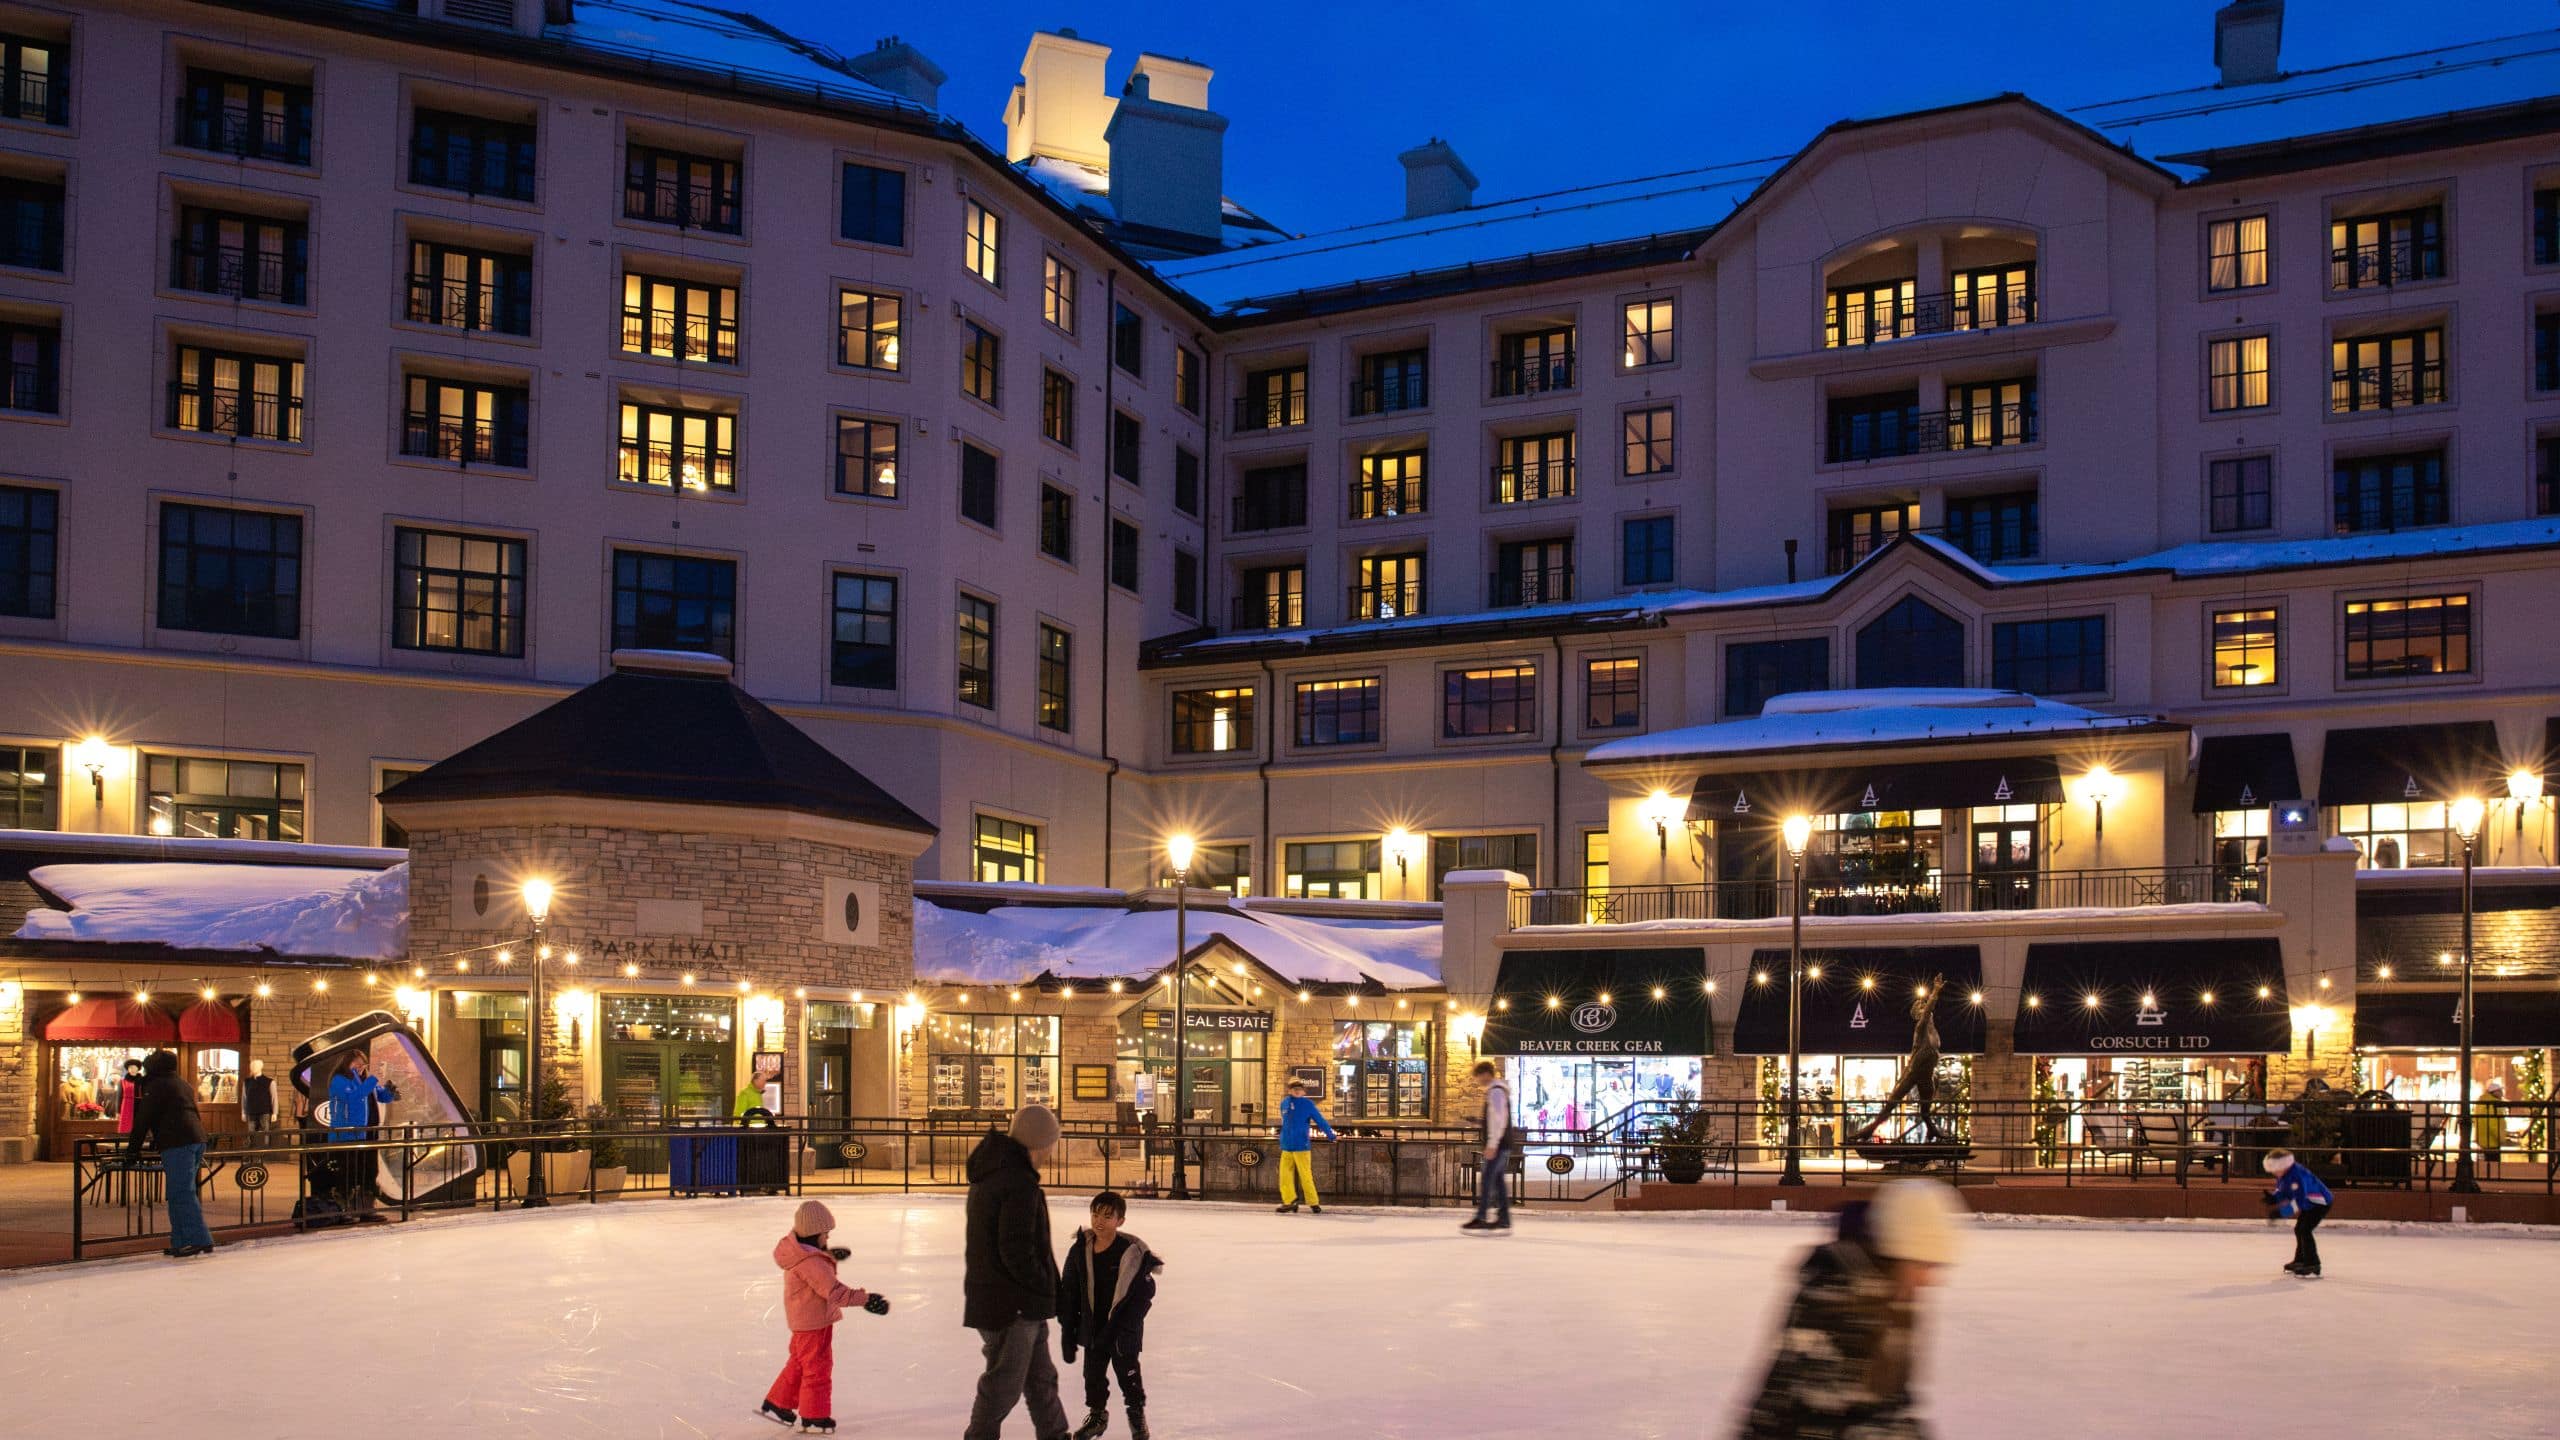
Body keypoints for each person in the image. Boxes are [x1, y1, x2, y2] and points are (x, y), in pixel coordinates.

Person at [1739, 1179, 1968, 1439]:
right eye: (1924, 1264)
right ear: (1899, 1253)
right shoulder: (1836, 1299)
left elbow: (1892, 1401)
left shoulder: (1898, 1300)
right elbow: (1815, 1412)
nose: (1931, 1279)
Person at [964, 1103, 1072, 1440]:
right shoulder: (1017, 1183)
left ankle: (1055, 1434)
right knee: (1003, 1385)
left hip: (1012, 1301)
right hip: (1011, 1305)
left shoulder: (998, 1176)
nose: (1053, 1149)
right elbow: (1017, 1249)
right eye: (1052, 1141)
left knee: (1041, 1379)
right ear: (1039, 1142)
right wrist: (1044, 1288)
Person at [760, 1198, 889, 1433]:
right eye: (825, 1234)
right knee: (817, 1367)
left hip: (803, 1320)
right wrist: (867, 1299)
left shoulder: (800, 1253)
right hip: (814, 1323)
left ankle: (778, 1402)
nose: (827, 1238)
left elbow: (815, 1265)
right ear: (814, 1233)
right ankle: (814, 1416)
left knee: (800, 1363)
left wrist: (828, 1255)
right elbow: (835, 1293)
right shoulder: (812, 1264)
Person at [1058, 1190, 1162, 1440]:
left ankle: (1137, 1418)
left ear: (1120, 1221)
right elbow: (1069, 1290)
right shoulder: (1080, 1249)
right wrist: (1068, 1329)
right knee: (1092, 1375)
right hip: (1093, 1327)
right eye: (1095, 1214)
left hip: (1122, 1330)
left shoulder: (1132, 1253)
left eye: (1107, 1216)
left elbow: (1145, 1294)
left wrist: (1124, 1326)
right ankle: (1097, 1417)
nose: (1099, 1221)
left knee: (1128, 1374)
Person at [129, 1049, 213, 1258]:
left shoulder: (156, 1085)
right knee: (179, 1193)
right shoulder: (181, 1083)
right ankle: (181, 1241)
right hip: (194, 1138)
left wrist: (132, 1150)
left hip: (177, 1142)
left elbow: (143, 1119)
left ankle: (197, 1239)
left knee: (181, 1193)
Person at [1461, 1060, 1518, 1233]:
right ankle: (1504, 1219)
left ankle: (1482, 1217)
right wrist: (1481, 1123)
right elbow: (1496, 1118)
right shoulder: (1498, 1091)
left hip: (1499, 1145)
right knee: (1498, 1181)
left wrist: (1492, 1144)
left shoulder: (1496, 1092)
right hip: (1501, 1143)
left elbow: (1500, 1119)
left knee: (1487, 1180)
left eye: (1478, 1077)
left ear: (1485, 1074)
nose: (1478, 1081)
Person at [2262, 1148, 2334, 1277]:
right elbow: (2283, 1190)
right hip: (2310, 1204)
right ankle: (2301, 1260)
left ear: (2283, 1165)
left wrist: (2281, 1213)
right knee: (2299, 1229)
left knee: (2305, 1230)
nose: (2273, 1172)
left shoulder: (2297, 1175)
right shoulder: (2284, 1174)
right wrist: (2274, 1198)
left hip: (2320, 1203)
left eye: (2274, 1169)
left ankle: (2313, 1263)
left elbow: (2299, 1200)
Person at [1272, 1078, 1336, 1214]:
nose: (1297, 1091)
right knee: (1284, 1176)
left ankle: (1313, 1202)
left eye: (1299, 1089)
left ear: (1303, 1091)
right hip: (1287, 1145)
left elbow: (1320, 1120)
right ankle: (1289, 1201)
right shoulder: (1284, 1103)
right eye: (1294, 1089)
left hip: (1301, 1145)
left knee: (1305, 1175)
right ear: (1289, 1090)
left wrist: (1330, 1135)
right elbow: (1285, 1123)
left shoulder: (1307, 1104)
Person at [241, 1058, 276, 1137]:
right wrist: (243, 1112)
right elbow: (244, 1098)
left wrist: (275, 1112)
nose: (253, 1068)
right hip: (251, 1111)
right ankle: (252, 1148)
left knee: (265, 1134)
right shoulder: (247, 1082)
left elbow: (274, 1098)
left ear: (261, 1067)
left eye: (255, 1066)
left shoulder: (269, 1081)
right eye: (252, 1066)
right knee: (251, 1134)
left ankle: (265, 1148)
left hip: (264, 1111)